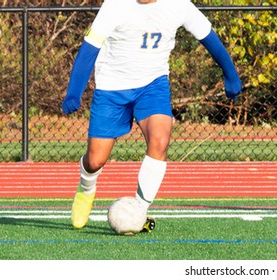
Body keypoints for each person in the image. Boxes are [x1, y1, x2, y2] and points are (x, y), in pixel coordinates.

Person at [62, 0, 242, 230]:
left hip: (152, 85)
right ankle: (86, 188)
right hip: (112, 88)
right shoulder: (115, 5)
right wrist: (73, 93)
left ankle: (139, 210)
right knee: (96, 159)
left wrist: (231, 74)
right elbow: (89, 49)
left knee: (160, 140)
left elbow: (208, 37)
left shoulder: (179, 4)